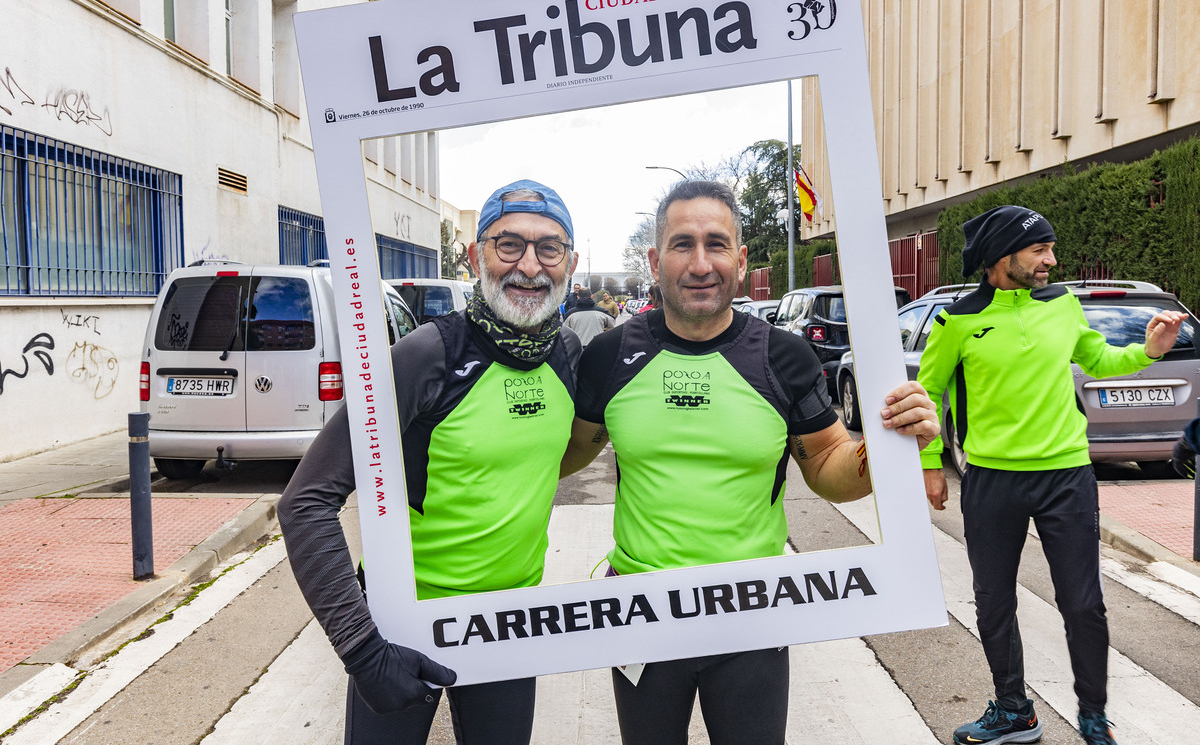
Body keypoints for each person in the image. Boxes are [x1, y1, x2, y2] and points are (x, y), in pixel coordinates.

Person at [561, 180, 939, 745]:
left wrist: (883, 447)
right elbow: (564, 456)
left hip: (752, 612)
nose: (699, 263)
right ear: (654, 259)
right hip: (640, 611)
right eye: (681, 244)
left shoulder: (783, 357)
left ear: (739, 261)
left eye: (716, 244)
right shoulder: (611, 356)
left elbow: (829, 466)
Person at [278, 179, 581, 745]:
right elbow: (305, 503)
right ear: (474, 256)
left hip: (510, 626)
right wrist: (363, 650)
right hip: (402, 625)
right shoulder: (425, 355)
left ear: (571, 262)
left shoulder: (566, 355)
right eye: (508, 244)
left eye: (549, 247)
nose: (530, 266)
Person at [916, 205, 1185, 745]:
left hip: (1067, 475)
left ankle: (1092, 714)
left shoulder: (1063, 306)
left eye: (1050, 249)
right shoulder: (956, 320)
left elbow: (1100, 358)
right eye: (1039, 249)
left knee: (1083, 602)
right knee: (993, 602)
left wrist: (1149, 352)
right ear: (1002, 256)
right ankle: (1014, 711)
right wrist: (930, 467)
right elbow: (928, 394)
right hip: (992, 479)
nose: (1051, 260)